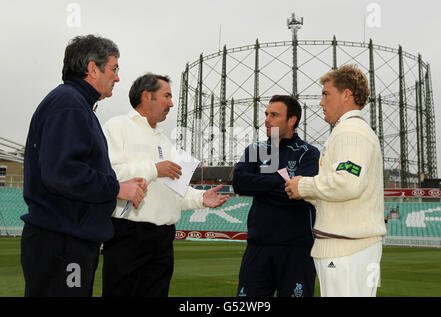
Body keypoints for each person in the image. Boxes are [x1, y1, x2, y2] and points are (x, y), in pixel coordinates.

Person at [21, 34, 147, 297]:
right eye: (114, 69)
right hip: (63, 241)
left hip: (67, 239)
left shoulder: (76, 104)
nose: (117, 77)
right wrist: (116, 188)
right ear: (92, 69)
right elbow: (62, 173)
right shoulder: (70, 104)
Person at [101, 73, 229, 297]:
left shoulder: (165, 140)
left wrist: (200, 198)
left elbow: (175, 189)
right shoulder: (117, 126)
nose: (171, 103)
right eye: (166, 96)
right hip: (128, 234)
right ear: (146, 96)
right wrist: (153, 169)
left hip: (163, 239)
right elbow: (108, 175)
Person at [285, 64, 387, 297]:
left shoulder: (351, 132)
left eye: (326, 94)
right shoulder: (351, 130)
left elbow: (347, 184)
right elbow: (343, 187)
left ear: (346, 95)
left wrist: (304, 185)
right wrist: (306, 192)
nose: (321, 102)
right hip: (349, 246)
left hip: (348, 248)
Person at [232, 95, 320, 297]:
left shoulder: (308, 153)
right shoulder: (255, 150)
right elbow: (239, 183)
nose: (267, 119)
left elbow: (297, 193)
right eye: (266, 114)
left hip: (296, 249)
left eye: (274, 115)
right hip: (258, 247)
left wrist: (259, 186)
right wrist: (281, 181)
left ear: (292, 120)